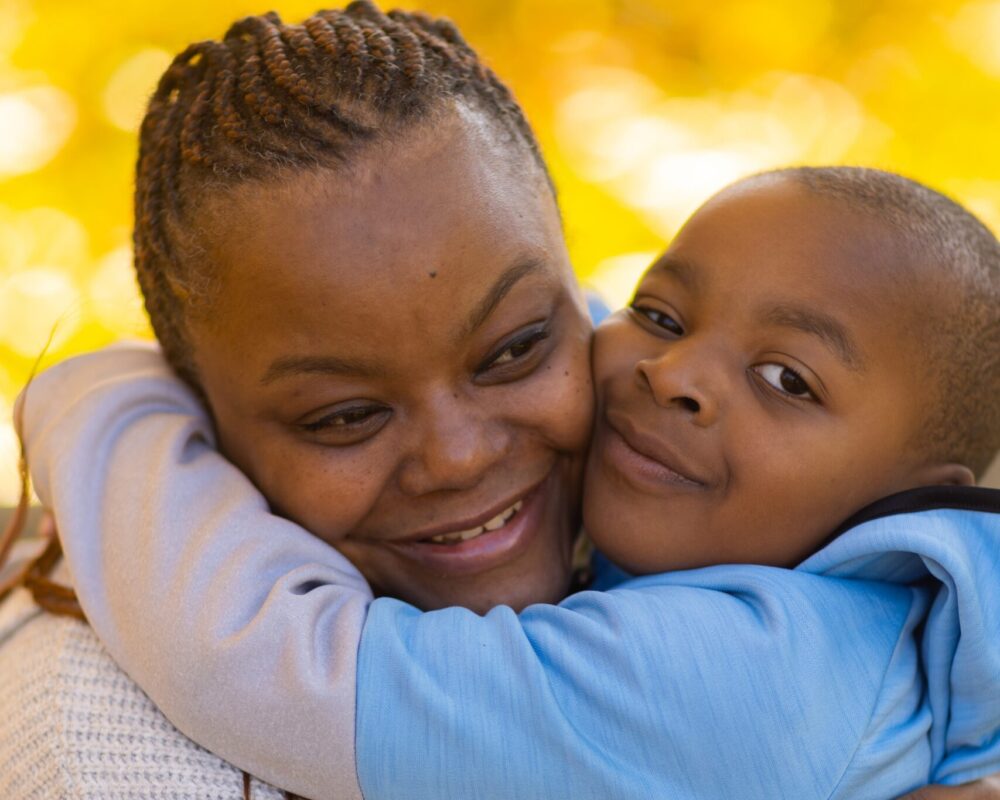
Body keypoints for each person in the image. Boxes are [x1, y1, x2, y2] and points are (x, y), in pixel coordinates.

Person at [15, 164, 1000, 800]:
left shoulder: (752, 673)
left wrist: (104, 399)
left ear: (916, 495)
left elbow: (280, 674)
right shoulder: (787, 576)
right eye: (662, 314)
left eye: (788, 379)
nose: (676, 375)